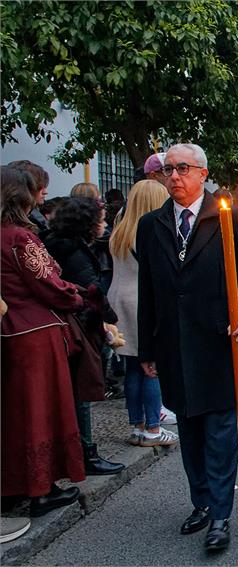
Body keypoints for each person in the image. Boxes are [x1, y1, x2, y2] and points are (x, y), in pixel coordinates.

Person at [137, 143, 238, 552]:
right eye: (168, 170)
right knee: (190, 430)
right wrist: (147, 349)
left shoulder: (230, 219)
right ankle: (202, 502)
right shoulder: (151, 225)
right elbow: (148, 293)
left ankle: (221, 514)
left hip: (218, 344)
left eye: (183, 169)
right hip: (174, 346)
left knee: (221, 433)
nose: (174, 176)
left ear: (203, 173)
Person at [1, 166, 86, 518]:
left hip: (9, 329)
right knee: (42, 411)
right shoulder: (19, 238)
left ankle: (11, 486)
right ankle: (40, 489)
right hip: (34, 334)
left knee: (13, 414)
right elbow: (48, 283)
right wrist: (79, 297)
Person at [43, 197, 125, 476]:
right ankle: (86, 452)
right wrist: (109, 320)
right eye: (100, 220)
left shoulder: (58, 243)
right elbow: (90, 291)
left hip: (68, 326)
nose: (103, 225)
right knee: (82, 392)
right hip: (77, 328)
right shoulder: (74, 251)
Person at [108, 180, 178, 447]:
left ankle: (137, 425)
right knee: (151, 365)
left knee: (132, 369)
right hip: (140, 302)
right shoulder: (148, 232)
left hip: (119, 301)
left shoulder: (120, 230)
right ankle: (152, 427)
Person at [6, 160, 50, 234]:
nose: (45, 192)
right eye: (39, 187)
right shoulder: (11, 225)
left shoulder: (34, 218)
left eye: (45, 186)